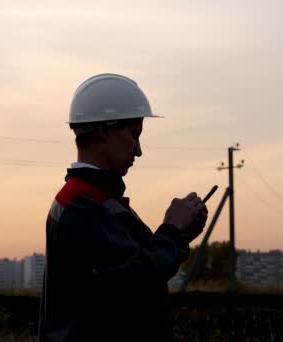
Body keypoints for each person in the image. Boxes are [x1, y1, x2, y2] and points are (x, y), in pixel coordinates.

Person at [38, 73, 208, 341]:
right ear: (104, 130)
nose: (139, 150)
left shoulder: (98, 201)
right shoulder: (82, 205)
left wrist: (180, 236)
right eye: (134, 134)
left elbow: (132, 274)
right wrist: (173, 232)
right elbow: (137, 281)